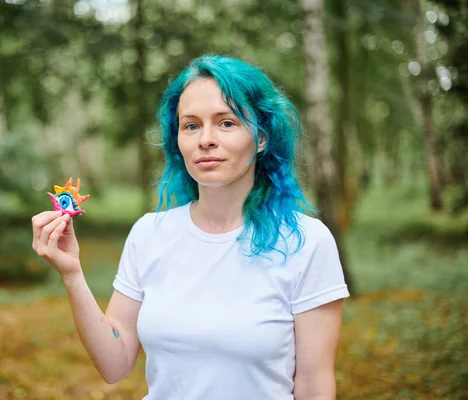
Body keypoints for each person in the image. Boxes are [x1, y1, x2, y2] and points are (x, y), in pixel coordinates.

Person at [31, 55, 350, 400]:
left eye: (226, 123)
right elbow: (115, 364)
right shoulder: (149, 234)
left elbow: (315, 386)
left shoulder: (306, 241)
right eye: (192, 125)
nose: (206, 140)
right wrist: (72, 275)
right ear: (178, 139)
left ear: (261, 138)